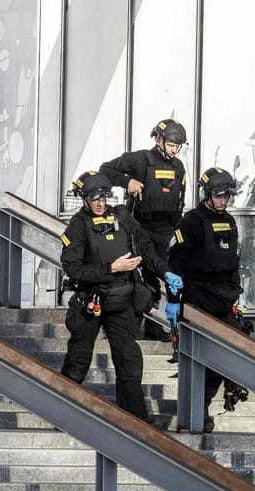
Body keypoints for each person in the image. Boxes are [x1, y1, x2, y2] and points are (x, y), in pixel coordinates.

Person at [59, 170, 166, 421]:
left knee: (129, 360)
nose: (100, 202)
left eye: (104, 197)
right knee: (78, 360)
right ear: (84, 198)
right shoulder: (77, 226)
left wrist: (167, 272)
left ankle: (135, 421)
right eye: (94, 197)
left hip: (121, 301)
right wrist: (111, 269)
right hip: (91, 301)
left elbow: (146, 247)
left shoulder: (122, 216)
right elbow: (73, 268)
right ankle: (62, 415)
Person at [165, 167, 250, 433]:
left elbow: (234, 262)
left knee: (236, 349)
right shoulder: (190, 221)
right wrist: (174, 300)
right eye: (219, 195)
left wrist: (238, 293)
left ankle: (214, 399)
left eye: (227, 196)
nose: (224, 201)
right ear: (207, 194)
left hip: (224, 298)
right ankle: (196, 413)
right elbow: (175, 264)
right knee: (205, 360)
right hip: (198, 299)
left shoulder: (230, 221)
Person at [98, 118, 189, 342]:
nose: (174, 150)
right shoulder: (140, 159)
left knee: (165, 275)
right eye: (170, 144)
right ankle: (129, 326)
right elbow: (104, 170)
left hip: (166, 229)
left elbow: (180, 200)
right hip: (141, 228)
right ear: (158, 139)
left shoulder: (179, 167)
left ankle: (155, 327)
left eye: (178, 146)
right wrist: (127, 181)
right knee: (144, 279)